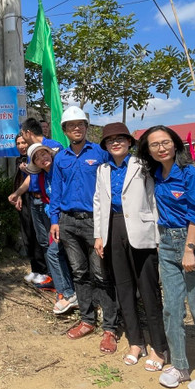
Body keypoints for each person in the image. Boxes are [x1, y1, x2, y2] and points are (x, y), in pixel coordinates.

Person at [136, 126, 195, 389]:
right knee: (172, 309)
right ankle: (181, 366)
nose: (161, 148)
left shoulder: (189, 175)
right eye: (154, 145)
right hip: (166, 245)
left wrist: (189, 249)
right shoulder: (154, 175)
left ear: (176, 145)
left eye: (166, 142)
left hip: (193, 244)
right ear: (148, 150)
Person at [93, 122, 167, 370]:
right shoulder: (102, 169)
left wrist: (157, 235)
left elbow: (153, 199)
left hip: (141, 230)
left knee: (148, 290)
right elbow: (98, 204)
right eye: (110, 139)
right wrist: (99, 236)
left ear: (129, 142)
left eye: (120, 138)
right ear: (105, 145)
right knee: (123, 288)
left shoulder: (142, 166)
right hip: (112, 228)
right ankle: (136, 342)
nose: (115, 143)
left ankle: (159, 346)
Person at [48, 106, 119, 353]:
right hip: (68, 222)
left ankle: (110, 327)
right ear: (65, 130)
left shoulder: (100, 153)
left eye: (81, 124)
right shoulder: (61, 158)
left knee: (101, 274)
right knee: (79, 273)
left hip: (95, 222)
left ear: (87, 128)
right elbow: (55, 190)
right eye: (71, 125)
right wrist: (54, 220)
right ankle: (88, 320)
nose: (76, 128)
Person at [21, 142, 78, 314]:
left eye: (44, 154)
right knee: (54, 252)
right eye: (37, 158)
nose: (42, 158)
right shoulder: (45, 176)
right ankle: (66, 292)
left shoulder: (59, 170)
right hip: (56, 218)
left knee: (54, 253)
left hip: (69, 218)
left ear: (50, 153)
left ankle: (67, 293)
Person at [19, 117, 64, 286]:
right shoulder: (31, 153)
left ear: (28, 133)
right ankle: (52, 277)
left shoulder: (53, 147)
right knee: (44, 241)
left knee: (56, 244)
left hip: (51, 202)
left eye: (23, 135)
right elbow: (32, 178)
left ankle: (64, 283)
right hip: (35, 200)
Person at [7, 135, 42, 286]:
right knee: (27, 235)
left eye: (24, 143)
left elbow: (34, 179)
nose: (21, 146)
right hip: (24, 201)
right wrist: (18, 196)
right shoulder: (19, 160)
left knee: (38, 236)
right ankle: (35, 269)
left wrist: (28, 171)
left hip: (36, 200)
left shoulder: (35, 159)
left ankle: (43, 271)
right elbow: (18, 181)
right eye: (18, 143)